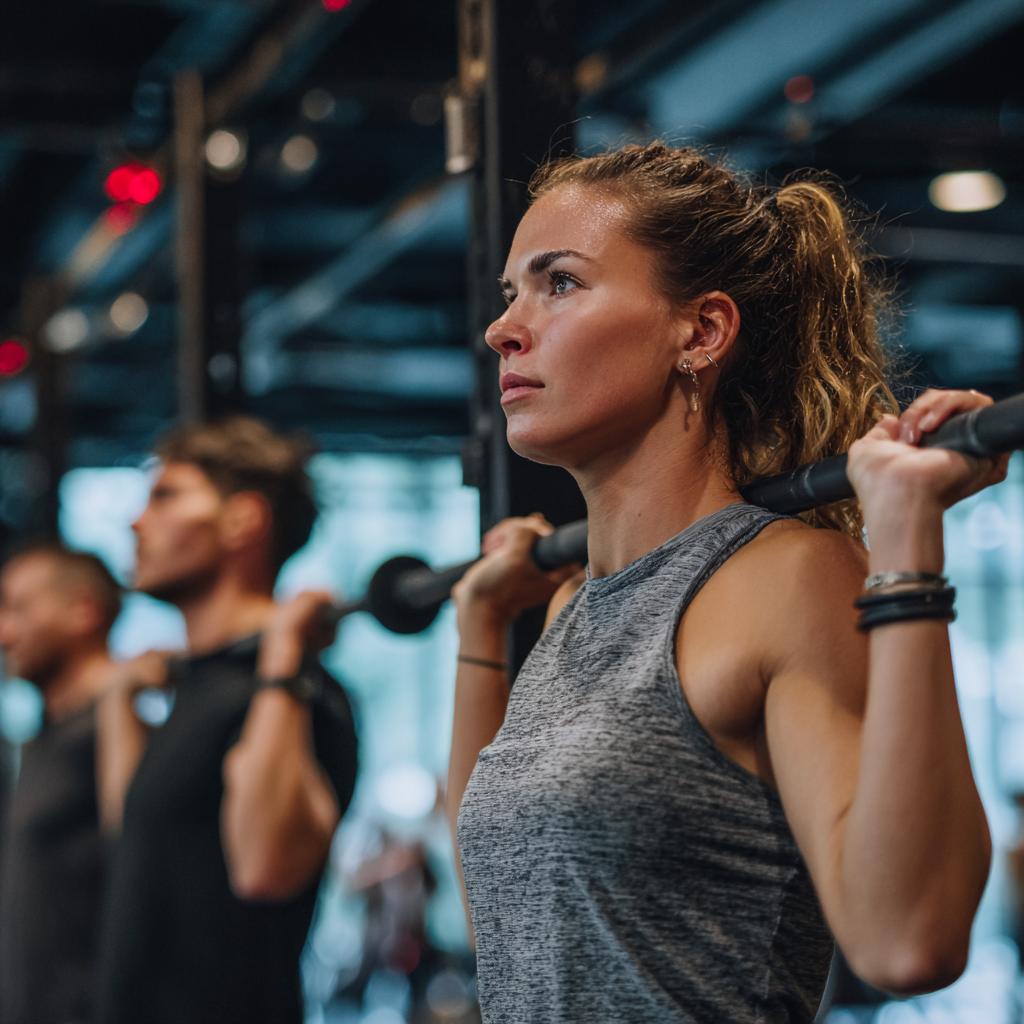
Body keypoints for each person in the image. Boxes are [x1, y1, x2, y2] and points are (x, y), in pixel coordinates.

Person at [445, 143, 999, 1024]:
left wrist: (905, 543)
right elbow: (510, 930)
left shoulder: (788, 578)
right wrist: (479, 628)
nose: (503, 328)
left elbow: (910, 941)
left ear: (700, 333)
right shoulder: (573, 607)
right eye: (512, 293)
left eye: (560, 283)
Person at [94, 417, 358, 1024]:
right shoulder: (201, 686)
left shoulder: (299, 692)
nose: (137, 521)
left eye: (166, 496)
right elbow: (133, 839)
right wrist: (117, 705)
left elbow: (266, 867)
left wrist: (285, 651)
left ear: (244, 519)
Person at [0, 544, 121, 1024]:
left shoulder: (117, 735)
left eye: (18, 608)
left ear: (82, 610)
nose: (4, 633)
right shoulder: (42, 738)